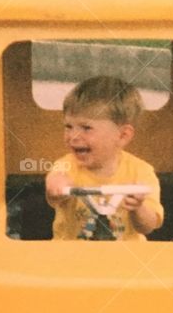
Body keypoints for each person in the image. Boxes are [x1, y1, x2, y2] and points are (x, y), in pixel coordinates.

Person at [45, 76, 163, 241]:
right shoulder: (65, 165)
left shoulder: (141, 172)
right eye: (68, 127)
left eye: (86, 128)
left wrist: (138, 207)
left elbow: (148, 226)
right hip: (72, 258)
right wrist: (57, 187)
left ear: (122, 135)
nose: (73, 137)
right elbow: (54, 191)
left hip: (124, 260)